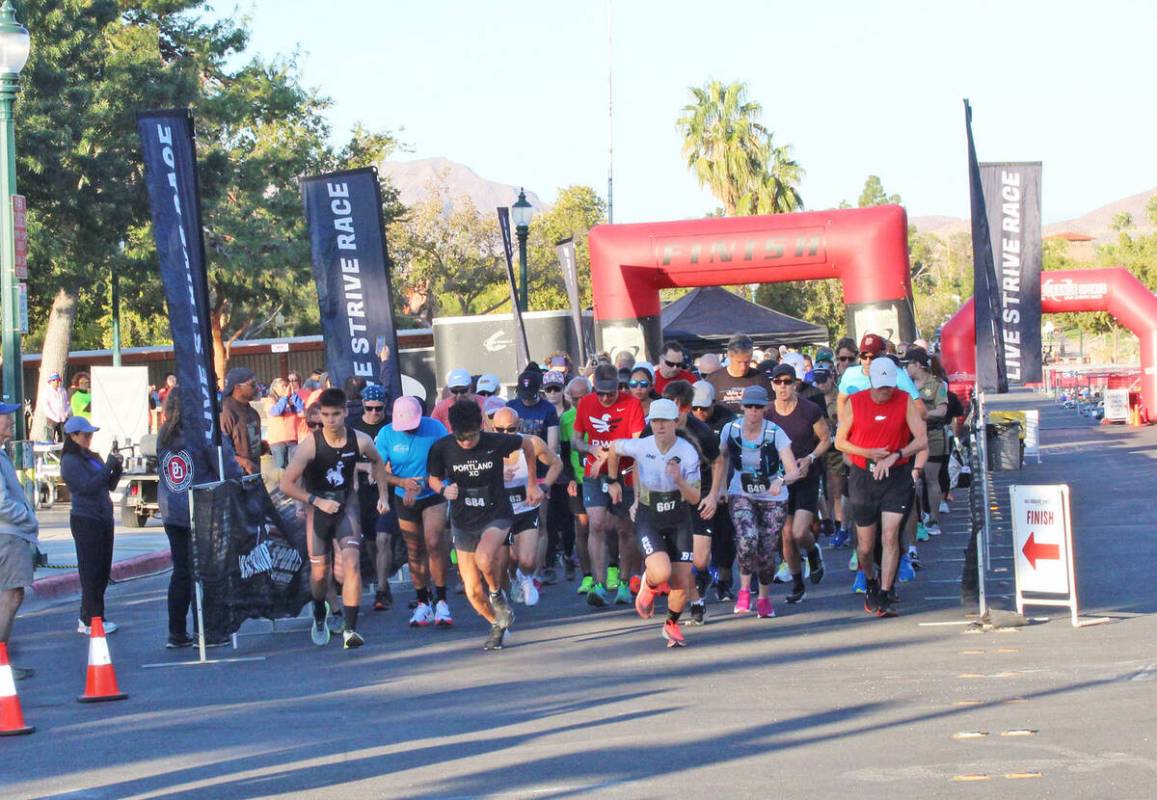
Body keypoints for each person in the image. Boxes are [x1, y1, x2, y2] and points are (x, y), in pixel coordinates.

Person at [279, 388, 390, 649]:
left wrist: (383, 495)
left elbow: (378, 462)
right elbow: (286, 484)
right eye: (326, 415)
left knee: (351, 564)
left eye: (335, 414)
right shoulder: (310, 445)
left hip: (347, 506)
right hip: (318, 509)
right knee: (320, 574)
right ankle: (320, 610)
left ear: (345, 413)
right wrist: (315, 501)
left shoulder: (360, 440)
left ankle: (350, 629)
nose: (330, 420)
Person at [426, 401, 541, 651]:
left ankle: (497, 592)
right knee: (472, 592)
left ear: (480, 427)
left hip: (495, 514)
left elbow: (529, 446)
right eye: (461, 438)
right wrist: (444, 489)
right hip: (463, 519)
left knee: (485, 558)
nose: (467, 443)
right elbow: (433, 479)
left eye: (472, 437)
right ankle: (498, 623)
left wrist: (532, 483)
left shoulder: (496, 441)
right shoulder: (441, 448)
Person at [835, 358, 927, 618]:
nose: (886, 391)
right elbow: (841, 442)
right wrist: (868, 453)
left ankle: (886, 593)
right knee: (865, 546)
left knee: (890, 535)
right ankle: (871, 582)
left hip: (896, 475)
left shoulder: (904, 400)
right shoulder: (856, 402)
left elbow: (921, 439)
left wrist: (896, 455)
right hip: (864, 475)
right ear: (872, 382)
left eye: (890, 386)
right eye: (881, 387)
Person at [608, 399, 701, 647]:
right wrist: (612, 480)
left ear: (675, 423)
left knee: (681, 580)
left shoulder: (687, 452)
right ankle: (649, 584)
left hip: (679, 517)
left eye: (664, 421)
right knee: (662, 572)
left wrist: (679, 481)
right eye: (655, 421)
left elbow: (695, 498)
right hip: (650, 516)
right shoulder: (642, 445)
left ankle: (671, 624)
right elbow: (614, 448)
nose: (659, 426)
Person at [156, 390, 240, 648]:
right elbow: (226, 465)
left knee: (181, 572)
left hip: (172, 510)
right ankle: (208, 631)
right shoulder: (202, 435)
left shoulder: (164, 436)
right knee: (207, 573)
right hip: (203, 506)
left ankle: (177, 632)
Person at [719, 386, 799, 619]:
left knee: (766, 550)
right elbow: (720, 458)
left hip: (772, 496)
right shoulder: (730, 430)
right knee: (747, 538)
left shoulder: (775, 432)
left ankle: (763, 597)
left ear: (765, 408)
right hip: (741, 491)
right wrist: (720, 487)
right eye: (749, 406)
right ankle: (744, 589)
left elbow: (794, 469)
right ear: (742, 407)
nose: (753, 412)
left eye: (758, 407)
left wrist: (781, 480)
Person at [646, 380, 722, 626]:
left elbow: (718, 461)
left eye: (676, 411)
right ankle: (696, 602)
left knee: (700, 560)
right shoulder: (653, 429)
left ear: (687, 409)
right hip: (668, 499)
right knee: (682, 559)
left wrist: (713, 495)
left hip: (699, 495)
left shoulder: (702, 433)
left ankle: (699, 582)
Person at [571, 364, 646, 607]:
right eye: (600, 393)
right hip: (594, 472)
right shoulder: (585, 403)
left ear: (618, 388)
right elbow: (575, 439)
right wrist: (590, 448)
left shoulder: (631, 404)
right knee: (597, 523)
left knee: (626, 529)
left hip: (625, 472)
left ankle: (624, 582)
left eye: (610, 393)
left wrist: (609, 454)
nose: (604, 398)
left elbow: (636, 444)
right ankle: (600, 584)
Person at [376, 396, 453, 627]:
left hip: (433, 493)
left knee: (433, 541)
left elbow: (449, 460)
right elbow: (378, 471)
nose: (410, 430)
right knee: (414, 549)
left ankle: (441, 601)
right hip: (404, 497)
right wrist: (401, 483)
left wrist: (431, 481)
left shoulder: (435, 428)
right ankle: (423, 602)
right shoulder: (387, 434)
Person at [765, 363, 830, 602]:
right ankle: (797, 583)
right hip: (780, 480)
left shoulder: (809, 409)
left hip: (805, 477)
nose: (783, 387)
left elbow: (826, 439)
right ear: (772, 384)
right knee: (786, 534)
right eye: (778, 382)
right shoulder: (767, 413)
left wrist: (810, 458)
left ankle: (812, 552)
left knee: (800, 531)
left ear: (795, 384)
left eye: (787, 382)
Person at [60, 416, 124, 635]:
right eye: (85, 435)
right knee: (91, 571)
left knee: (103, 570)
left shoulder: (92, 457)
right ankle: (91, 619)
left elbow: (108, 485)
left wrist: (116, 468)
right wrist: (107, 468)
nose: (89, 438)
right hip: (86, 519)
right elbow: (86, 487)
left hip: (103, 517)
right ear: (73, 436)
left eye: (90, 434)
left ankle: (92, 616)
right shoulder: (70, 461)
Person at [493, 407, 562, 606]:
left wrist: (544, 486)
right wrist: (495, 476)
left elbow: (556, 464)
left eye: (511, 430)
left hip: (526, 508)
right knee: (506, 559)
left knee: (528, 560)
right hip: (500, 511)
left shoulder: (532, 443)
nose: (505, 435)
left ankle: (525, 577)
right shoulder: (487, 448)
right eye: (500, 430)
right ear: (492, 428)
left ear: (519, 427)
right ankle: (512, 580)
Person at [346, 384, 396, 612]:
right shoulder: (353, 428)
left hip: (388, 489)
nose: (375, 413)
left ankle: (382, 589)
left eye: (379, 409)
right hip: (363, 491)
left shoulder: (392, 426)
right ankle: (380, 576)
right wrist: (367, 466)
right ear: (363, 406)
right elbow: (343, 459)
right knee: (371, 542)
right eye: (370, 408)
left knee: (384, 537)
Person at [689, 380, 738, 601]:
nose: (699, 412)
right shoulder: (684, 421)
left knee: (724, 535)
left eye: (704, 408)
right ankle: (699, 575)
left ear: (714, 404)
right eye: (695, 408)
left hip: (721, 480)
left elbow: (727, 456)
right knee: (695, 535)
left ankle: (725, 580)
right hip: (694, 483)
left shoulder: (727, 419)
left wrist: (723, 488)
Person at [0, 401, 38, 679]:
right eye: (5, 417)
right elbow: (1, 502)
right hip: (8, 535)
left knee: (11, 595)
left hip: (10, 533)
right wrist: (27, 517)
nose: (11, 421)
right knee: (11, 595)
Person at [902, 346, 948, 537]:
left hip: (932, 435)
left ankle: (934, 518)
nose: (906, 368)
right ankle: (919, 518)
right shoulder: (905, 385)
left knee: (931, 479)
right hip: (912, 439)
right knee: (915, 481)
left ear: (918, 365)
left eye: (908, 364)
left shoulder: (936, 385)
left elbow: (942, 410)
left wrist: (923, 415)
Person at [836, 333, 922, 423]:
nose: (868, 361)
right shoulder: (850, 374)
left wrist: (892, 420)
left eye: (873, 356)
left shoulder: (897, 375)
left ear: (883, 355)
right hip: (859, 435)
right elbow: (841, 400)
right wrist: (843, 425)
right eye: (864, 356)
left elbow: (921, 411)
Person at [559, 377, 591, 587]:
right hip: (578, 480)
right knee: (582, 528)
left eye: (583, 397)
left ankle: (612, 570)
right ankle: (587, 576)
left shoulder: (600, 414)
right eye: (575, 398)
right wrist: (569, 478)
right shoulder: (566, 419)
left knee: (607, 527)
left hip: (601, 477)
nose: (579, 402)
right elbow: (563, 452)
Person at [220, 367, 266, 476]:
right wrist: (244, 463)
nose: (257, 388)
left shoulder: (253, 412)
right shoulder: (225, 412)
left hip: (254, 476)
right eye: (252, 385)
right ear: (237, 388)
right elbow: (218, 451)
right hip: (236, 479)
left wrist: (261, 446)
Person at [708, 334, 771, 413]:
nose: (743, 367)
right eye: (739, 362)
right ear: (729, 356)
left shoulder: (761, 379)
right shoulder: (713, 380)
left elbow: (770, 408)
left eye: (747, 362)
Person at [265, 377, 304, 471]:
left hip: (292, 440)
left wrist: (294, 395)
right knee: (281, 470)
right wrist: (285, 397)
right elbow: (275, 412)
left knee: (294, 469)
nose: (286, 388)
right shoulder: (270, 400)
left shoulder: (290, 400)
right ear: (275, 388)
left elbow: (302, 410)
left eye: (286, 386)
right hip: (278, 441)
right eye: (283, 386)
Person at [41, 371, 71, 441]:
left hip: (63, 419)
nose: (56, 382)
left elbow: (66, 403)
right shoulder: (46, 392)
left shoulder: (63, 391)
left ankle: (62, 451)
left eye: (57, 380)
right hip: (51, 419)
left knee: (64, 438)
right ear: (50, 381)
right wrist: (54, 416)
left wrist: (66, 414)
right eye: (54, 380)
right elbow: (46, 406)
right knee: (50, 438)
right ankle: (50, 452)